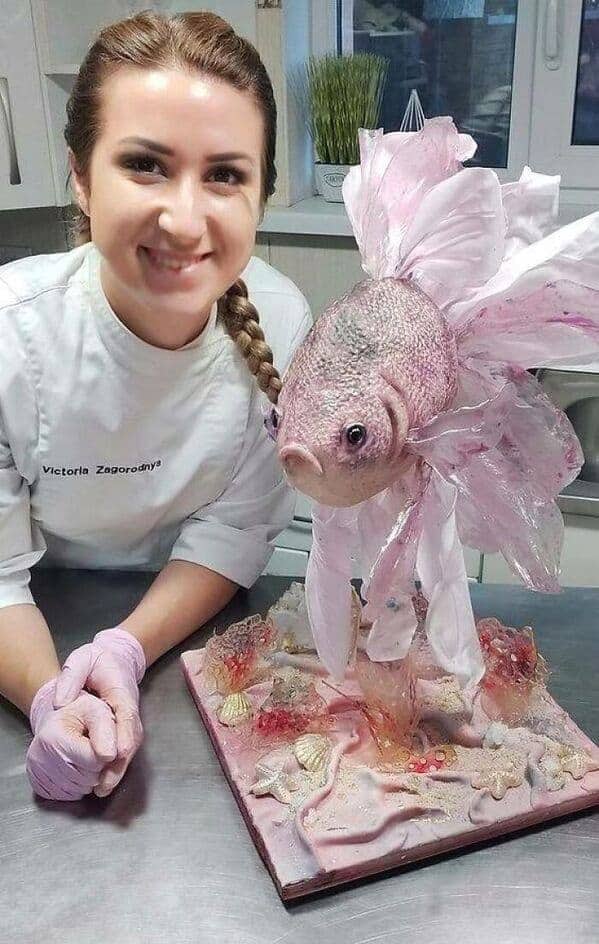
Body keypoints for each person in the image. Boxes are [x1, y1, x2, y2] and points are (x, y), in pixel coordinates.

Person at [0, 11, 312, 801]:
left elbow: (233, 529)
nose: (183, 216)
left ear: (262, 193)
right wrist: (51, 697)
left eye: (225, 174)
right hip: (31, 625)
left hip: (194, 632)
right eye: (144, 164)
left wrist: (128, 652)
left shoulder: (282, 323)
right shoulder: (12, 333)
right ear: (80, 174)